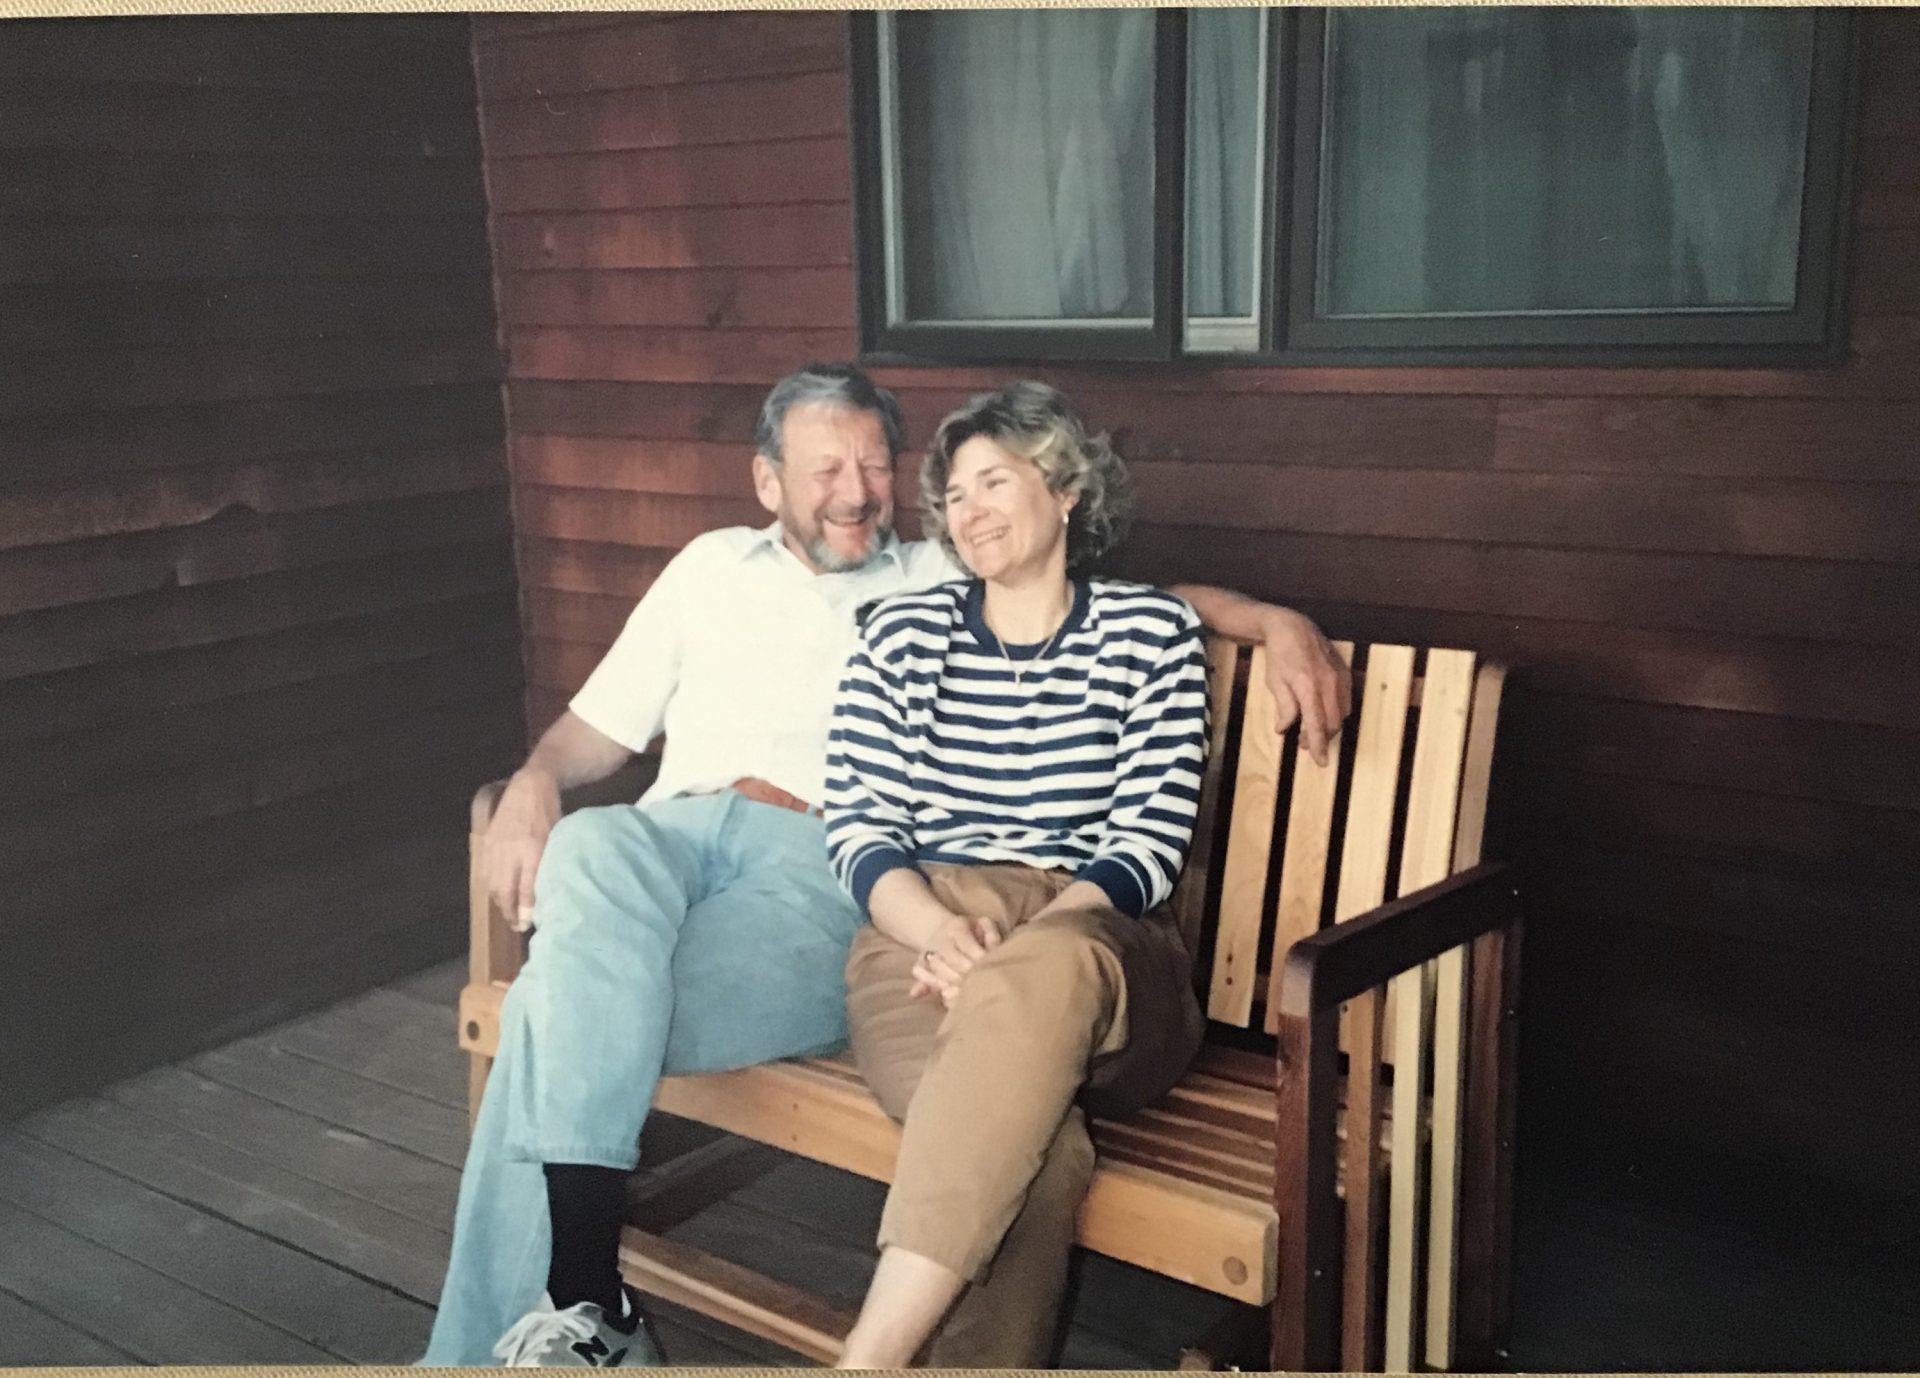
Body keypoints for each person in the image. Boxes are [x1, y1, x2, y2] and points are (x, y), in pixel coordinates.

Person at [419, 363, 1350, 1366]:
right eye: (826, 468)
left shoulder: (934, 578)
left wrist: (1268, 619)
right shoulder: (714, 571)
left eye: (875, 463)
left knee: (558, 1006)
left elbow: (1100, 599)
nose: (858, 490)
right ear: (767, 481)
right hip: (695, 857)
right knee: (589, 849)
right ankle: (586, 1300)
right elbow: (593, 731)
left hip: (827, 877)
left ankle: (557, 1325)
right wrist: (533, 781)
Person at [825, 381, 1208, 1368]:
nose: (971, 509)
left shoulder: (1150, 633)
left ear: (1068, 488)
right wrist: (937, 934)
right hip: (922, 935)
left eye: (997, 480)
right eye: (954, 494)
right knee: (1037, 1155)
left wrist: (1013, 959)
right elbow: (861, 828)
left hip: (1097, 939)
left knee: (1045, 986)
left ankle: (864, 1359)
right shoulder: (898, 636)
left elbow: (1146, 843)